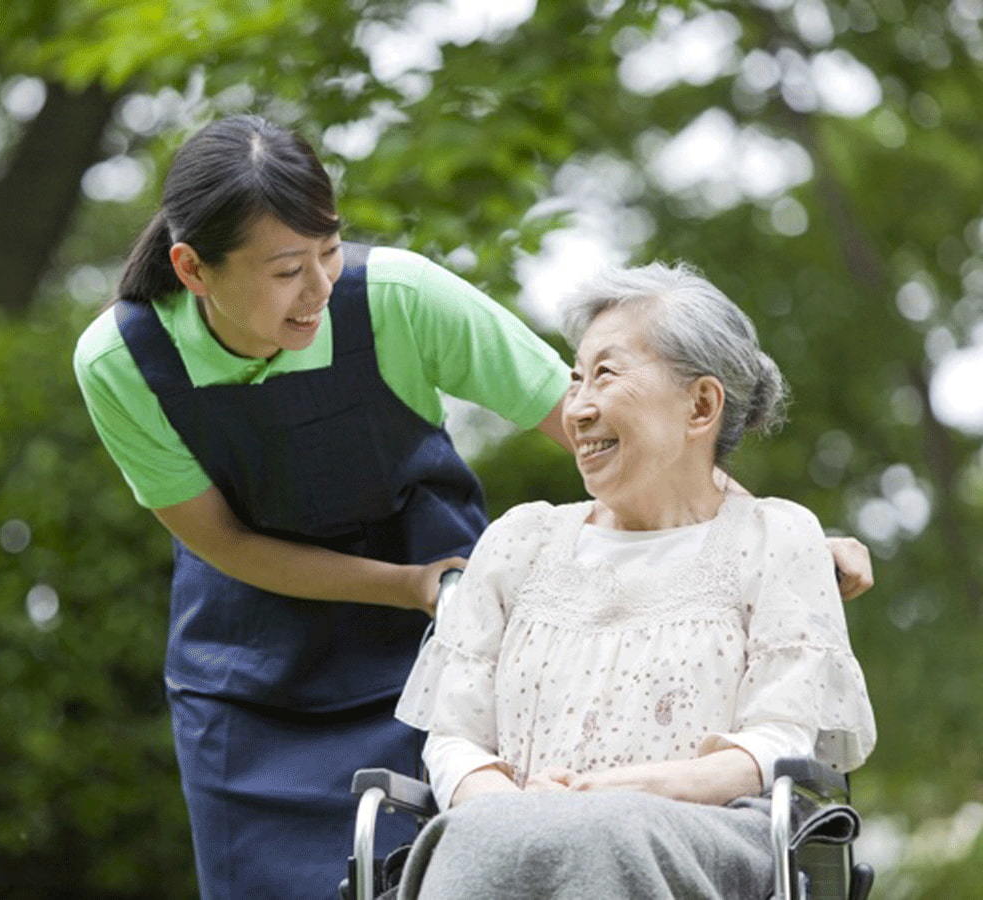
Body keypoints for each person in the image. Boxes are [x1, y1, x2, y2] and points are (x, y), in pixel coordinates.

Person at [73, 116, 873, 898]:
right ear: (192, 268)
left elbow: (606, 431)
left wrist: (769, 539)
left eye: (329, 250)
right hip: (252, 651)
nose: (320, 285)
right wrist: (408, 584)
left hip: (428, 632)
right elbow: (226, 542)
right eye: (287, 271)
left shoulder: (395, 295)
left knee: (452, 848)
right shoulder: (122, 361)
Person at [393, 262, 877, 899]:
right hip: (513, 828)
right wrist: (513, 807)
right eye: (575, 379)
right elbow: (455, 736)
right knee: (485, 835)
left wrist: (628, 790)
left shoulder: (774, 538)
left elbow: (777, 740)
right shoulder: (520, 541)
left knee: (608, 830)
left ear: (701, 405)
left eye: (605, 374)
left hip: (709, 834)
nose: (577, 407)